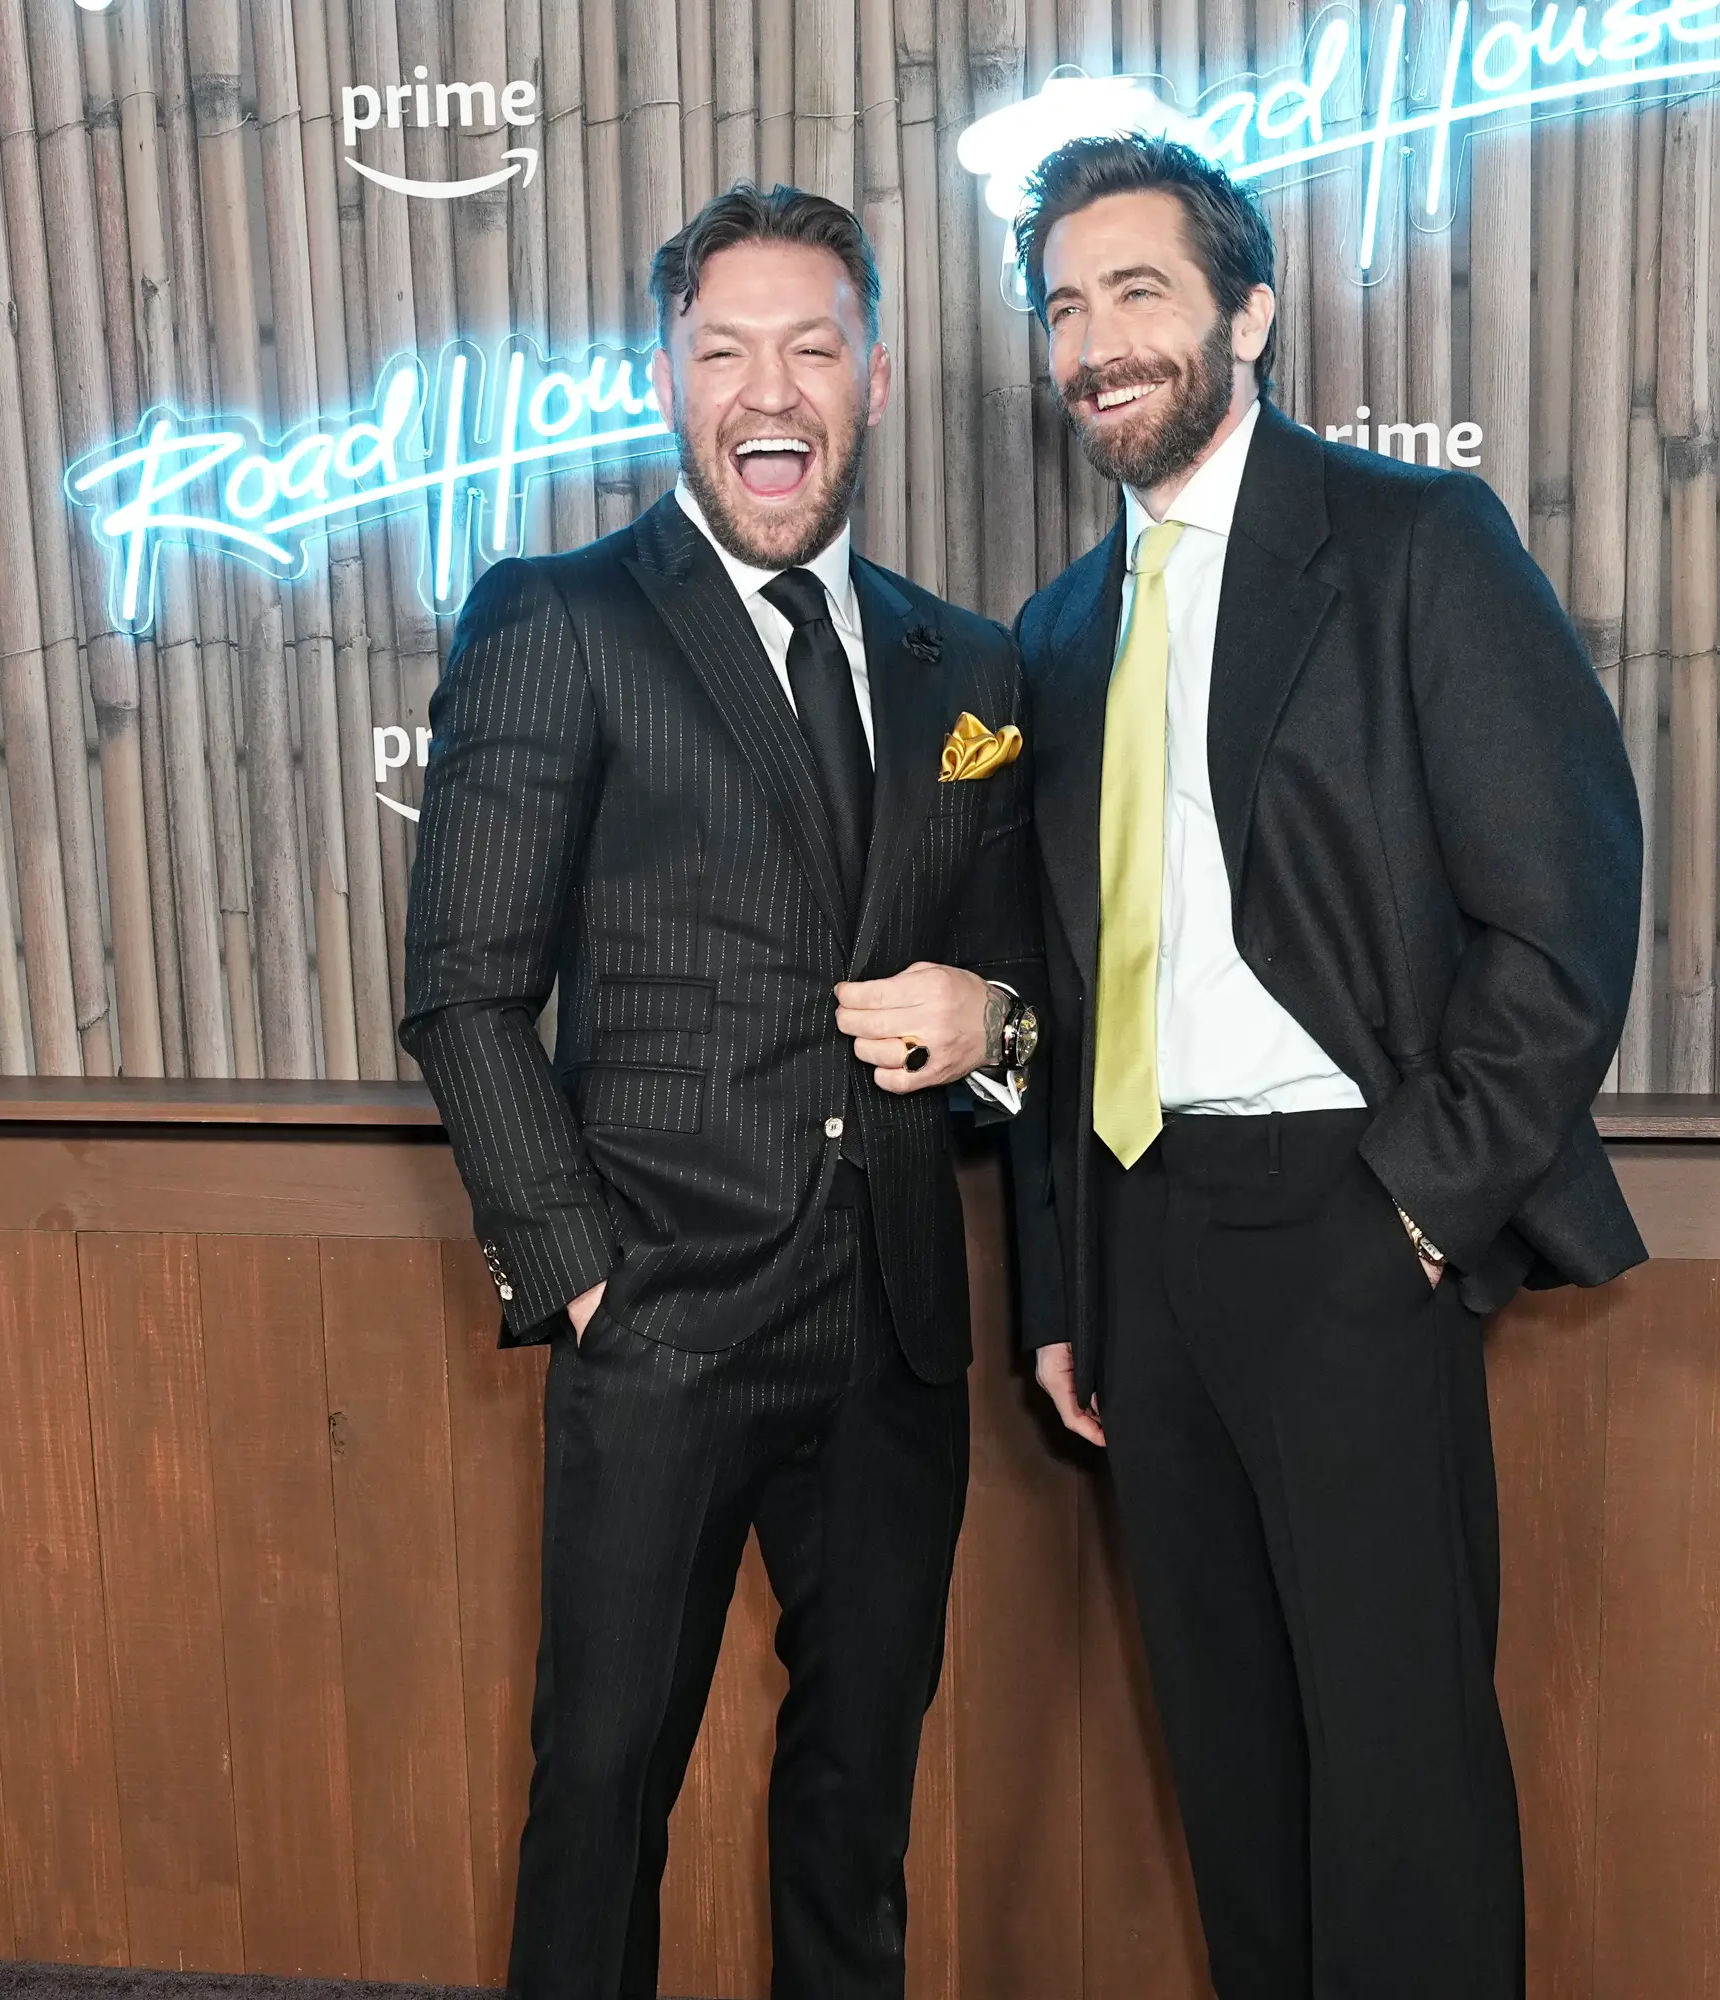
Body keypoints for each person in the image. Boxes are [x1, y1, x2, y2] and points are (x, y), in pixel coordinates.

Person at [1006, 134, 1646, 1998]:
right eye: (1064, 306)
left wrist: (1422, 1208)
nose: (1098, 342)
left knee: (1399, 1776)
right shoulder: (1058, 633)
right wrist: (1067, 1286)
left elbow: (1566, 910)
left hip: (1356, 1225)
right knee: (1235, 1773)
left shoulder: (1409, 548)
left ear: (1249, 312)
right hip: (1149, 1245)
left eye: (1139, 292)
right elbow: (1072, 982)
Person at [400, 184, 1043, 2000]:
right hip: (664, 1320)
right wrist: (586, 1273)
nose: (773, 384)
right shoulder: (560, 618)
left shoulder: (966, 665)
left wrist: (984, 1020)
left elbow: (1029, 1010)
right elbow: (460, 989)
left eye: (813, 345)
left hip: (897, 1332)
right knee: (600, 1791)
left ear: (878, 377)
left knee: (858, 1807)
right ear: (671, 383)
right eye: (726, 348)